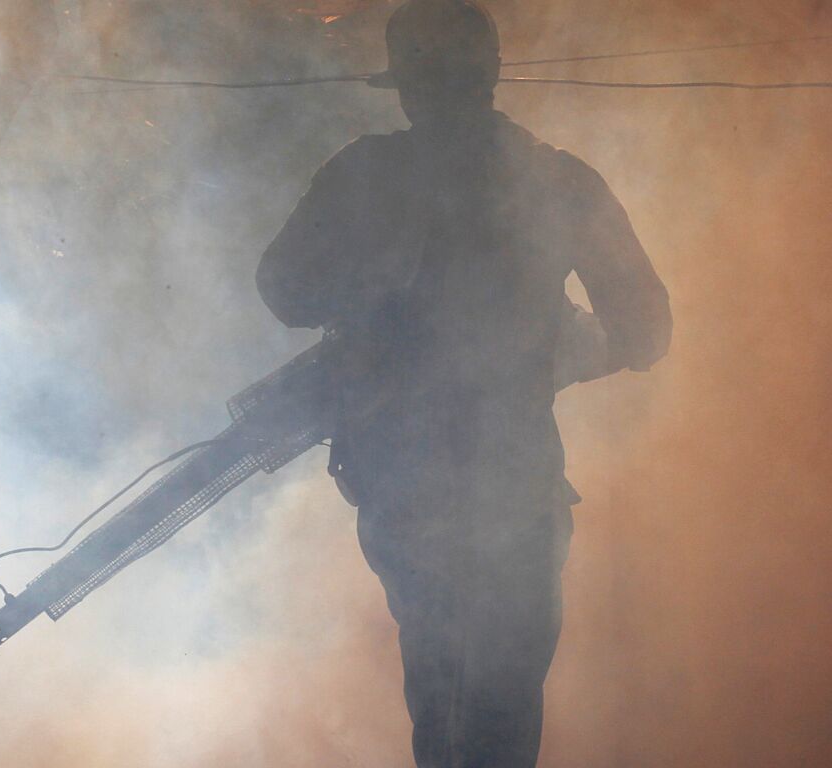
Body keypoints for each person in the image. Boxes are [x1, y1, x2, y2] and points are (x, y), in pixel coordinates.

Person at [255, 1, 671, 764]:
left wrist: (373, 301)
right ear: (492, 77)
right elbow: (648, 329)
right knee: (503, 717)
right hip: (516, 486)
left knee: (444, 709)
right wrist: (564, 352)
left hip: (407, 489)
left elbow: (282, 288)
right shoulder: (561, 181)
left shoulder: (366, 173)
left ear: (407, 87)